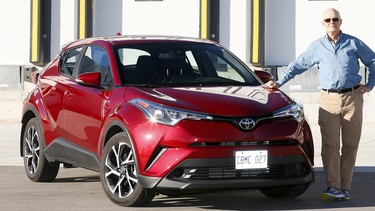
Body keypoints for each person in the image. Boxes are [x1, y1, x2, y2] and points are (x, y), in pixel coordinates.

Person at [265, 8, 375, 201]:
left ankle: (344, 187)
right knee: (330, 145)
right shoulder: (316, 46)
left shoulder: (353, 42)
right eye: (327, 20)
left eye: (335, 19)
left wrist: (370, 85)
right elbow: (298, 65)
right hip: (328, 100)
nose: (331, 22)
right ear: (322, 23)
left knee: (350, 145)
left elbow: (373, 61)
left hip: (352, 99)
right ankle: (333, 186)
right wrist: (279, 82)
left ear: (341, 21)